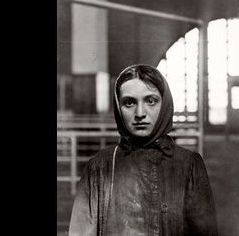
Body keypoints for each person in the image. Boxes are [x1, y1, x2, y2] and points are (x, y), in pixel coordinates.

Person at [69, 64, 218, 236]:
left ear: (165, 105)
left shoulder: (189, 165)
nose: (140, 113)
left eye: (151, 101)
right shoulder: (99, 168)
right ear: (118, 108)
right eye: (129, 102)